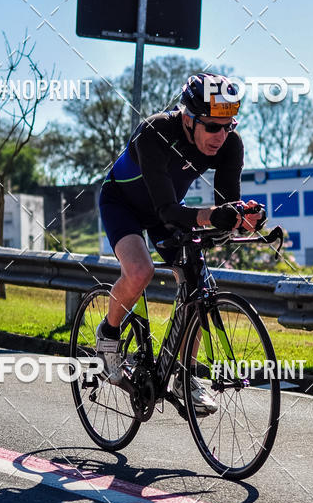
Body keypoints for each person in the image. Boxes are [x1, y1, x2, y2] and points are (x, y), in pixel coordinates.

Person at [96, 72, 263, 413]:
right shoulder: (155, 133)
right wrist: (210, 216)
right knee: (140, 272)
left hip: (167, 212)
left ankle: (184, 375)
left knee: (198, 285)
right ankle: (108, 335)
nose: (221, 135)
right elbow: (168, 210)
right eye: (213, 127)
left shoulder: (230, 144)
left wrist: (241, 218)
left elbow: (226, 204)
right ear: (188, 118)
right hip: (124, 204)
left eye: (228, 126)